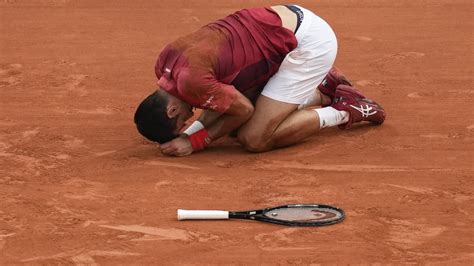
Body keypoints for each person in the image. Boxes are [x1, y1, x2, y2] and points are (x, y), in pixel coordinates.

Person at [134, 4, 386, 156]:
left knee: (253, 137)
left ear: (171, 109)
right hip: (286, 16)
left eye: (182, 121)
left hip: (309, 44)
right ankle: (322, 88)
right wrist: (186, 136)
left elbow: (243, 110)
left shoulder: (192, 83)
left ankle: (346, 109)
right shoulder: (165, 64)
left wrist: (195, 142)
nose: (189, 117)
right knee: (226, 119)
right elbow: (215, 105)